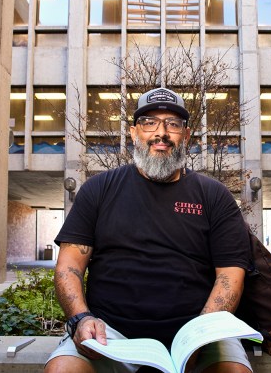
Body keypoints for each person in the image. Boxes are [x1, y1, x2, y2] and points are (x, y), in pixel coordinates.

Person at [45, 87, 253, 373]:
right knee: (62, 370)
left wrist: (200, 337)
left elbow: (230, 275)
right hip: (109, 334)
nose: (161, 133)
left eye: (173, 124)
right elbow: (69, 266)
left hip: (196, 332)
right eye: (149, 122)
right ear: (133, 133)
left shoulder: (214, 196)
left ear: (187, 136)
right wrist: (80, 319)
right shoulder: (98, 190)